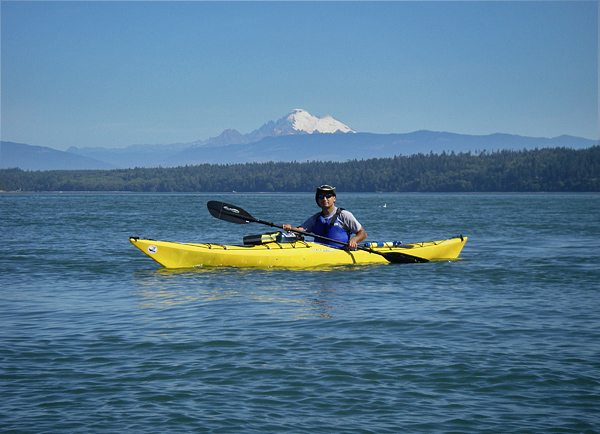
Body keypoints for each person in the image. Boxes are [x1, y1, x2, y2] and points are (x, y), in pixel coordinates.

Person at [282, 185, 367, 250]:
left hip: (341, 252)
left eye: (328, 196)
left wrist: (354, 240)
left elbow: (362, 233)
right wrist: (290, 228)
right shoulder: (316, 218)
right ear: (317, 200)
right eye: (321, 197)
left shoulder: (344, 215)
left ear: (334, 199)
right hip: (319, 252)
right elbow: (300, 230)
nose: (324, 199)